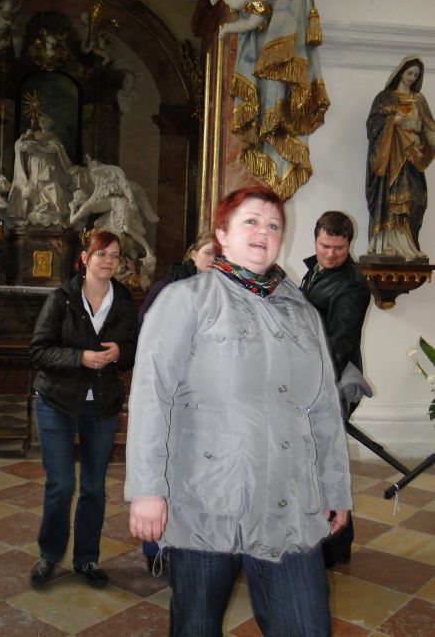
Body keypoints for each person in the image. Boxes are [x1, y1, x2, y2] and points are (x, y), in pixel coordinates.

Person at [125, 185, 351, 636]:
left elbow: (324, 407)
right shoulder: (186, 299)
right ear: (222, 234)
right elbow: (152, 396)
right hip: (207, 500)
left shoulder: (302, 313)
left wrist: (334, 487)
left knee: (306, 628)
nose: (263, 232)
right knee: (196, 626)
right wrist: (147, 490)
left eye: (274, 225)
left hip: (288, 501)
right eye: (251, 221)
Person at [29, 229, 138, 589]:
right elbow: (39, 350)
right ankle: (49, 554)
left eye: (115, 256)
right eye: (101, 254)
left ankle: (87, 559)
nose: (108, 261)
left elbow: (135, 348)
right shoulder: (61, 299)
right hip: (57, 401)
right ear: (85, 258)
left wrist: (120, 353)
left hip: (101, 404)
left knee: (93, 487)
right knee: (61, 485)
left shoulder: (124, 301)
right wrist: (80, 357)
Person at [137, 230, 217, 572]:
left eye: (220, 255)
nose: (214, 260)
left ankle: (193, 545)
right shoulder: (169, 288)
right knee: (165, 470)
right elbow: (148, 333)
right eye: (209, 253)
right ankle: (155, 548)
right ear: (193, 254)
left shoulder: (224, 293)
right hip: (173, 392)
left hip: (207, 400)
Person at [300, 211, 370, 568]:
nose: (330, 254)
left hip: (332, 382)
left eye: (338, 248)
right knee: (318, 460)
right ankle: (334, 545)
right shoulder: (315, 270)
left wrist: (308, 382)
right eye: (325, 246)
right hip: (316, 377)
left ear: (349, 245)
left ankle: (332, 548)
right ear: (316, 240)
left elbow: (338, 345)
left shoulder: (352, 286)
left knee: (325, 462)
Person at [366, 55, 435, 261]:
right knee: (391, 198)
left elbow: (429, 127)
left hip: (413, 154)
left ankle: (409, 245)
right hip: (391, 155)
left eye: (416, 75)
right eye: (409, 73)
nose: (412, 77)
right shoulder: (385, 98)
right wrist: (392, 121)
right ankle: (386, 243)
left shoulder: (419, 100)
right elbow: (372, 125)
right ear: (400, 72)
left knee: (415, 200)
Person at [8, 113, 73, 227]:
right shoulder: (34, 135)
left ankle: (57, 213)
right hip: (35, 167)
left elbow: (55, 148)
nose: (43, 122)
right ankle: (33, 212)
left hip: (48, 167)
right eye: (41, 120)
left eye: (46, 120)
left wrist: (39, 147)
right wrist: (24, 143)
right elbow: (21, 146)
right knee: (33, 190)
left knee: (55, 191)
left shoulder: (53, 137)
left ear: (50, 123)